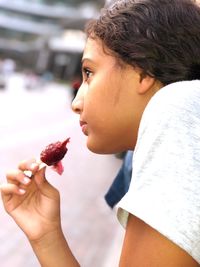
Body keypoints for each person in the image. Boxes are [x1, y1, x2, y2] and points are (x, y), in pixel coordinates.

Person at [1, 0, 200, 266]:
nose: (76, 102)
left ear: (143, 72)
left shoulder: (179, 108)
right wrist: (46, 237)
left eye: (89, 72)